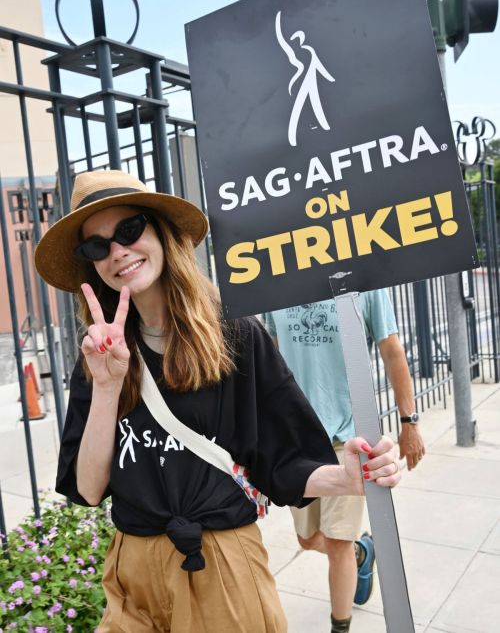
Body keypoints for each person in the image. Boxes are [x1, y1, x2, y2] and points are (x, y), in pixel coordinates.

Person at [35, 170, 401, 633]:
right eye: (97, 246)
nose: (118, 251)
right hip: (131, 571)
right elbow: (88, 490)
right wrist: (107, 386)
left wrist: (345, 477)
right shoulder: (101, 352)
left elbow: (281, 458)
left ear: (162, 232)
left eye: (130, 230)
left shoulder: (234, 337)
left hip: (221, 565)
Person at [263, 295, 425, 633]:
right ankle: (362, 553)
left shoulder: (362, 283)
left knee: (337, 541)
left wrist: (409, 421)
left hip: (348, 437)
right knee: (308, 539)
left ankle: (341, 625)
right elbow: (272, 358)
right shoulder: (275, 278)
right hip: (297, 437)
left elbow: (392, 350)